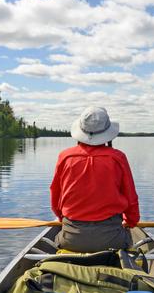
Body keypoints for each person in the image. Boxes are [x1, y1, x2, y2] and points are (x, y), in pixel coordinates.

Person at [50, 106, 140, 253]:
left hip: (71, 239)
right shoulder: (118, 157)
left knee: (59, 239)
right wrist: (131, 221)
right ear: (108, 134)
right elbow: (131, 199)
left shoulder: (65, 157)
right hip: (112, 240)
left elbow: (55, 195)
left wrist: (61, 218)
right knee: (127, 239)